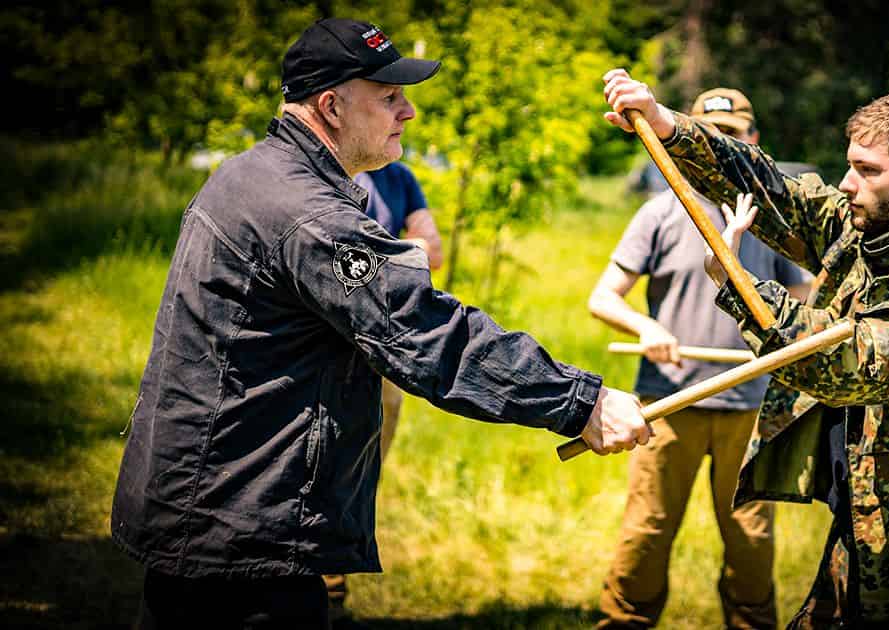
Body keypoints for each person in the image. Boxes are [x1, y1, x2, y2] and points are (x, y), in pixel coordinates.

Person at [110, 19, 650, 629]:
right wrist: (583, 402)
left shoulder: (253, 175)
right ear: (332, 106)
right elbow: (425, 335)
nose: (409, 111)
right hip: (238, 535)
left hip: (210, 509)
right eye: (389, 97)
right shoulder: (306, 212)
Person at [601, 69, 889, 628]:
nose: (847, 184)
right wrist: (666, 125)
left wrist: (738, 283)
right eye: (849, 165)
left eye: (866, 170)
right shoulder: (860, 232)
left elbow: (851, 362)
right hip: (855, 525)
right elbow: (769, 189)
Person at [590, 88, 813, 629]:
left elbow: (807, 300)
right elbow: (603, 297)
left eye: (732, 135)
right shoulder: (661, 213)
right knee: (647, 531)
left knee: (750, 540)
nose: (720, 144)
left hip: (751, 408)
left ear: (752, 142)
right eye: (710, 132)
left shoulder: (773, 222)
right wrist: (648, 328)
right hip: (668, 402)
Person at [318, 162, 444, 624]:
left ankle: (331, 583)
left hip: (382, 348)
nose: (401, 114)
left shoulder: (399, 178)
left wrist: (380, 254)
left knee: (359, 466)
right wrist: (399, 251)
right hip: (321, 349)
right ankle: (313, 583)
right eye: (387, 100)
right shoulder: (314, 176)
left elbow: (431, 252)